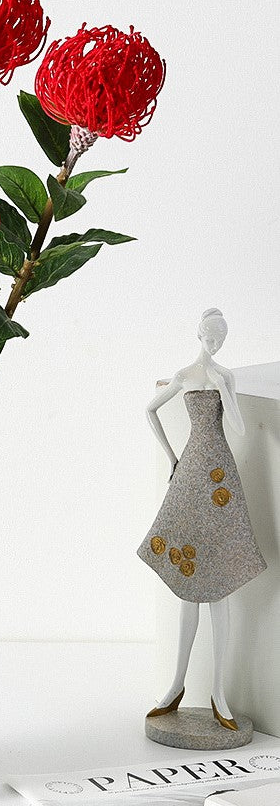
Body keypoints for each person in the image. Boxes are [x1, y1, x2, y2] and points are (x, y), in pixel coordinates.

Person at [137, 309, 266, 730]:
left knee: (221, 584)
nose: (215, 344)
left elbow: (241, 429)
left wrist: (225, 387)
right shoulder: (185, 374)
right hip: (192, 471)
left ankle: (218, 692)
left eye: (221, 338)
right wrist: (172, 456)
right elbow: (150, 410)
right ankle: (176, 685)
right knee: (187, 586)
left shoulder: (223, 376)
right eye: (211, 336)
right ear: (199, 334)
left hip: (220, 476)